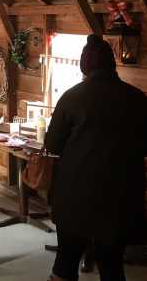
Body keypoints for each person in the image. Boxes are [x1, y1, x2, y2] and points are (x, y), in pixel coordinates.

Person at [46, 34, 147, 281]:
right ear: (111, 64)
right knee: (112, 265)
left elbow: (53, 144)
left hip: (75, 194)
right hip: (120, 195)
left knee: (66, 261)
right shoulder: (137, 98)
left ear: (85, 65)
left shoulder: (72, 97)